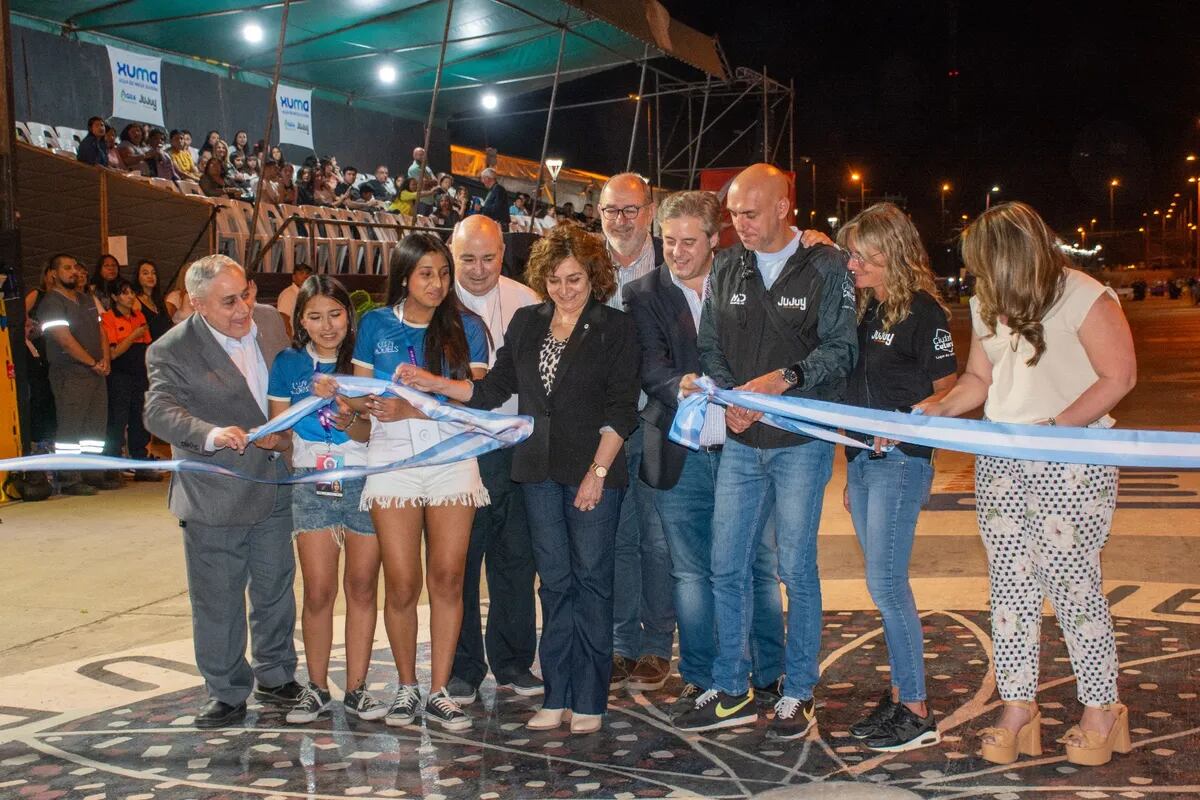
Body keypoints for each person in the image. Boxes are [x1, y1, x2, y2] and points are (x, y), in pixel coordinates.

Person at [399, 226, 641, 735]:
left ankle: (590, 698)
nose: (564, 289)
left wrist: (597, 473)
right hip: (536, 474)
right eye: (554, 279)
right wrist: (433, 384)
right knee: (553, 586)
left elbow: (622, 411)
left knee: (592, 583)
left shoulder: (616, 327)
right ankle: (556, 694)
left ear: (593, 277)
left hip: (594, 473)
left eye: (574, 279)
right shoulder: (528, 322)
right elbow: (494, 390)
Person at [920, 202, 1137, 767]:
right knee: (1010, 587)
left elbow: (1120, 376)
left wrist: (1055, 428)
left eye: (982, 263)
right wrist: (937, 411)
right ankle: (1019, 708)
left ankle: (1101, 708)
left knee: (1071, 582)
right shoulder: (987, 303)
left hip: (1071, 457)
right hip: (1002, 459)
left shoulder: (1085, 295)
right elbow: (978, 379)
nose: (974, 275)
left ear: (1012, 255)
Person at [677, 163, 858, 737]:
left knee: (794, 568)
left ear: (784, 208)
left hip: (799, 443)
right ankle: (732, 685)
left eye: (749, 214)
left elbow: (842, 349)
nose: (738, 225)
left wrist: (784, 380)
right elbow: (709, 344)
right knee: (725, 565)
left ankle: (798, 690)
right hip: (741, 439)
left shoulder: (827, 267)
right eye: (732, 214)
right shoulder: (727, 264)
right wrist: (732, 396)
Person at [623, 190, 787, 719]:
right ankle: (701, 676)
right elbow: (649, 367)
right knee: (689, 571)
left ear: (716, 240)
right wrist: (681, 383)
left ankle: (769, 672)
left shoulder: (749, 279)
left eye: (690, 242)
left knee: (760, 563)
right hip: (679, 450)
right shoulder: (643, 293)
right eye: (669, 241)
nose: (677, 252)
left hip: (746, 445)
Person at [336, 233, 490, 732]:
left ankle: (440, 689)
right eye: (426, 273)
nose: (437, 282)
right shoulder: (376, 324)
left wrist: (415, 404)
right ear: (404, 276)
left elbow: (477, 399)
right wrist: (350, 403)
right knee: (402, 582)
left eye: (443, 273)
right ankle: (407, 686)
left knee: (448, 576)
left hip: (451, 457)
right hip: (392, 458)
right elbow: (360, 396)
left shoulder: (469, 326)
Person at [143, 255, 302, 729]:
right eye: (229, 301)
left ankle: (276, 674)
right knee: (218, 599)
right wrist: (209, 434)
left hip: (274, 483)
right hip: (214, 492)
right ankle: (227, 690)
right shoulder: (170, 349)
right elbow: (158, 411)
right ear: (197, 303)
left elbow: (292, 384)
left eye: (247, 294)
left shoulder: (273, 323)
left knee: (275, 589)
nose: (243, 309)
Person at [831, 203, 958, 752]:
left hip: (902, 462)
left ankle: (916, 708)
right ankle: (902, 691)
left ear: (893, 253)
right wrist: (853, 462)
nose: (852, 264)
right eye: (851, 254)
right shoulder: (869, 309)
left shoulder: (924, 312)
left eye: (862, 255)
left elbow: (949, 390)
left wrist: (906, 423)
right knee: (881, 583)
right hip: (864, 462)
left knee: (886, 584)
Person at [266, 276, 387, 724]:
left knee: (361, 587)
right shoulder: (288, 363)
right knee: (317, 590)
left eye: (335, 314)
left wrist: (348, 409)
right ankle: (315, 687)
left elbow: (370, 432)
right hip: (309, 479)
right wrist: (264, 440)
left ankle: (356, 688)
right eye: (314, 316)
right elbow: (280, 436)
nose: (327, 325)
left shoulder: (363, 363)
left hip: (360, 478)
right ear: (300, 320)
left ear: (348, 315)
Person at [436, 216, 543, 706]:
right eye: (467, 259)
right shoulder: (432, 305)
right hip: (457, 452)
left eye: (488, 257)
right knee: (457, 565)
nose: (478, 270)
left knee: (516, 561)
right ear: (450, 255)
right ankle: (462, 669)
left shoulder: (529, 300)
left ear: (504, 253)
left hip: (518, 450)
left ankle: (514, 662)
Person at [598, 172, 673, 692]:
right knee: (614, 540)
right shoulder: (582, 267)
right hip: (601, 427)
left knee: (656, 540)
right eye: (611, 211)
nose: (621, 221)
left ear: (650, 212)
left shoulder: (672, 266)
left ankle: (656, 645)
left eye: (630, 210)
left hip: (656, 422)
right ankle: (622, 644)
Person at [36, 253, 112, 495]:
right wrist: (92, 362)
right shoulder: (51, 302)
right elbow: (64, 339)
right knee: (71, 425)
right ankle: (69, 478)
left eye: (75, 268)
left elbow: (101, 330)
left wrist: (106, 359)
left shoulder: (86, 299)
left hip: (96, 371)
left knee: (95, 426)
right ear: (54, 274)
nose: (73, 272)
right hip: (69, 372)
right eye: (67, 268)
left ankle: (93, 472)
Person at [99, 278, 157, 478]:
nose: (130, 296)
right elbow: (113, 353)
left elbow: (146, 344)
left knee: (140, 419)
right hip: (119, 375)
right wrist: (133, 335)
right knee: (117, 420)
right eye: (124, 293)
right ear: (115, 297)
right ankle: (112, 467)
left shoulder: (138, 315)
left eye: (132, 292)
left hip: (140, 374)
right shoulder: (108, 318)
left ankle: (141, 463)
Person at [23, 264, 59, 445]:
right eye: (51, 276)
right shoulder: (37, 294)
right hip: (38, 351)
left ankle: (49, 440)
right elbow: (20, 315)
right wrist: (31, 326)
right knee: (39, 396)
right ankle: (38, 443)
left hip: (56, 354)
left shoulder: (63, 298)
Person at [134, 259, 173, 341]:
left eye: (153, 273)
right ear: (137, 277)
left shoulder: (159, 300)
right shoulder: (135, 301)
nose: (150, 276)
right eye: (145, 273)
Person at [276, 264, 314, 336]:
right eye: (301, 273)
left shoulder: (308, 294)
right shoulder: (288, 294)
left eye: (307, 274)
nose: (305, 277)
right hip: (294, 340)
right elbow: (284, 321)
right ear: (294, 277)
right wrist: (290, 343)